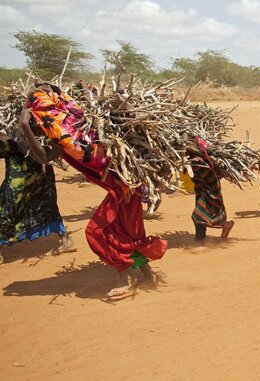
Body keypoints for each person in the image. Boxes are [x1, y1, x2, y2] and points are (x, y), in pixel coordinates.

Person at [19, 83, 166, 300]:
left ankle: (126, 278)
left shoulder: (67, 137)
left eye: (37, 122)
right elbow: (46, 155)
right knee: (126, 233)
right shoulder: (74, 127)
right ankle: (147, 273)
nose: (37, 126)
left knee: (96, 232)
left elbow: (42, 158)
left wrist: (24, 126)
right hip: (128, 186)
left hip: (123, 188)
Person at [0, 129, 75, 263]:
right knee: (45, 203)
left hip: (22, 172)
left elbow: (15, 139)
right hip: (40, 169)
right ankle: (66, 239)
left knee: (10, 206)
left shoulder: (22, 126)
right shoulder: (44, 128)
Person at [182, 132, 234, 241]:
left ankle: (200, 240)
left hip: (209, 188)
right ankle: (223, 226)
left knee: (198, 216)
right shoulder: (193, 159)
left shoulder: (197, 161)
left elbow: (207, 173)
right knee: (207, 212)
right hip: (203, 188)